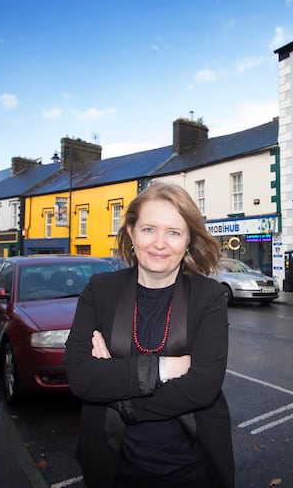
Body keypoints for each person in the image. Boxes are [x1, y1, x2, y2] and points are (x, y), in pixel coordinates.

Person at [64, 182, 234, 488]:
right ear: (131, 233)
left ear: (188, 240)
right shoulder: (99, 290)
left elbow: (203, 386)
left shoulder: (208, 296)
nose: (160, 243)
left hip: (192, 469)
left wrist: (117, 392)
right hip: (113, 469)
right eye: (148, 229)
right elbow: (80, 375)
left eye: (174, 232)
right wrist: (165, 368)